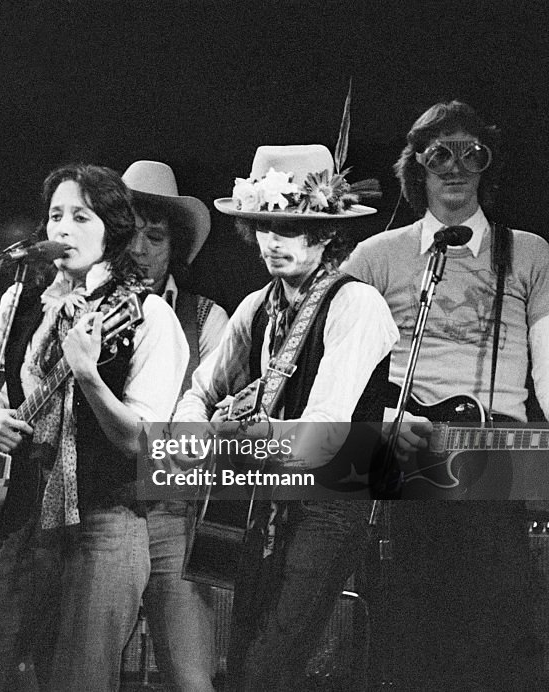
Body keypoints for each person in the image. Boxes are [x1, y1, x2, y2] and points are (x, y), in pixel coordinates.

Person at [0, 163, 187, 690]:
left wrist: (87, 373)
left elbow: (138, 441)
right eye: (55, 216)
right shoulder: (21, 302)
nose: (62, 229)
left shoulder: (147, 315)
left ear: (112, 230)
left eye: (81, 216)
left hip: (104, 522)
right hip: (21, 515)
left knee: (79, 679)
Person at [173, 144, 397, 690]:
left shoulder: (356, 304)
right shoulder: (257, 306)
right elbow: (201, 390)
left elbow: (324, 425)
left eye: (290, 227)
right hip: (263, 498)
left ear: (325, 233)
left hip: (329, 499)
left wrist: (250, 434)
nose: (273, 241)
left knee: (273, 659)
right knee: (245, 643)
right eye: (264, 225)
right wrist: (195, 429)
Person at [344, 99, 549, 688]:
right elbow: (342, 359)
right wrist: (381, 422)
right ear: (418, 166)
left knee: (501, 618)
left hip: (497, 451)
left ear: (488, 164)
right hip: (409, 448)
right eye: (440, 154)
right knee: (411, 618)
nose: (455, 167)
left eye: (471, 153)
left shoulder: (529, 252)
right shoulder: (376, 256)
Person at [122, 159, 227, 691]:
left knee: (191, 679)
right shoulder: (80, 306)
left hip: (172, 516)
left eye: (154, 237)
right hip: (102, 511)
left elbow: (210, 419)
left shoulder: (207, 318)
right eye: (129, 233)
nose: (138, 249)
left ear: (175, 248)